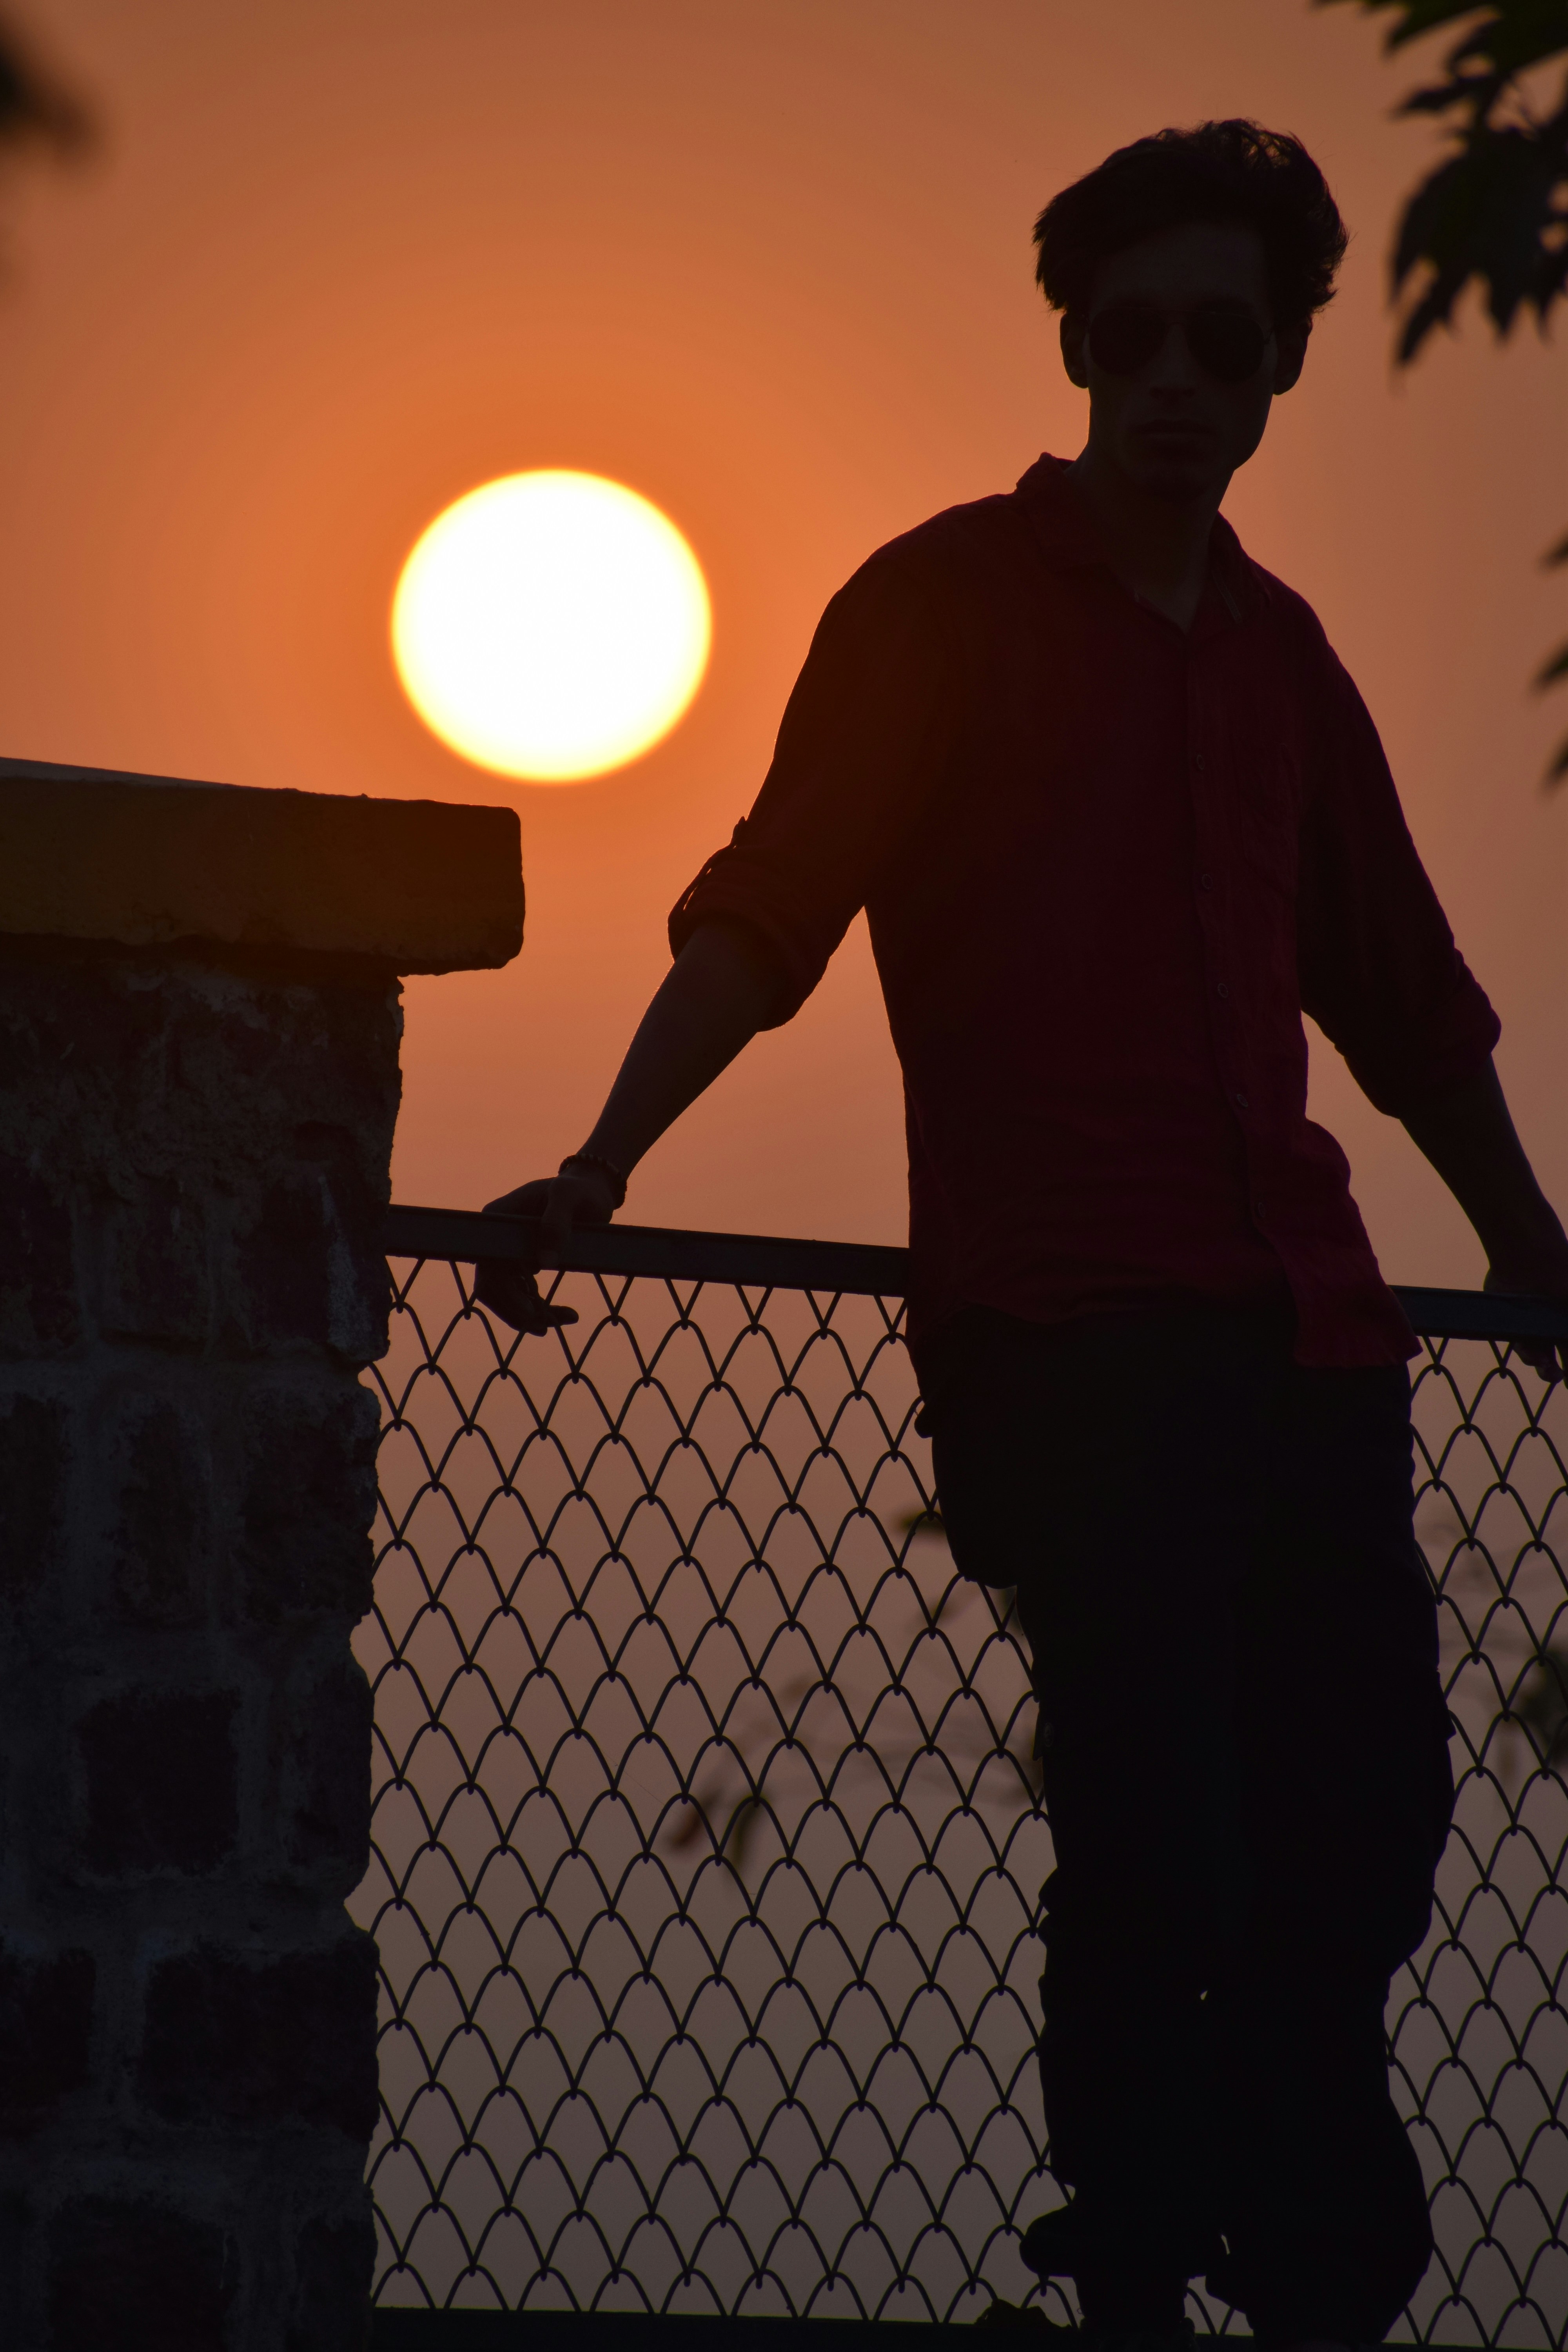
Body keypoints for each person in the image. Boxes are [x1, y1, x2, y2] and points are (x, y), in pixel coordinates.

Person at [476, 120, 1568, 2352]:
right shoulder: (938, 605)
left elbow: (1405, 998)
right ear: (1077, 341)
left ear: (1278, 373)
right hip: (1071, 1334)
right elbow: (773, 908)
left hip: (1312, 1338)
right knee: (1156, 1823)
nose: (1177, 374)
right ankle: (1143, 2272)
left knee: (1365, 1827)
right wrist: (603, 1162)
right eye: (1138, 330)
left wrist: (1530, 1248)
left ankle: (1313, 2261)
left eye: (1226, 341)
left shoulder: (1281, 659)